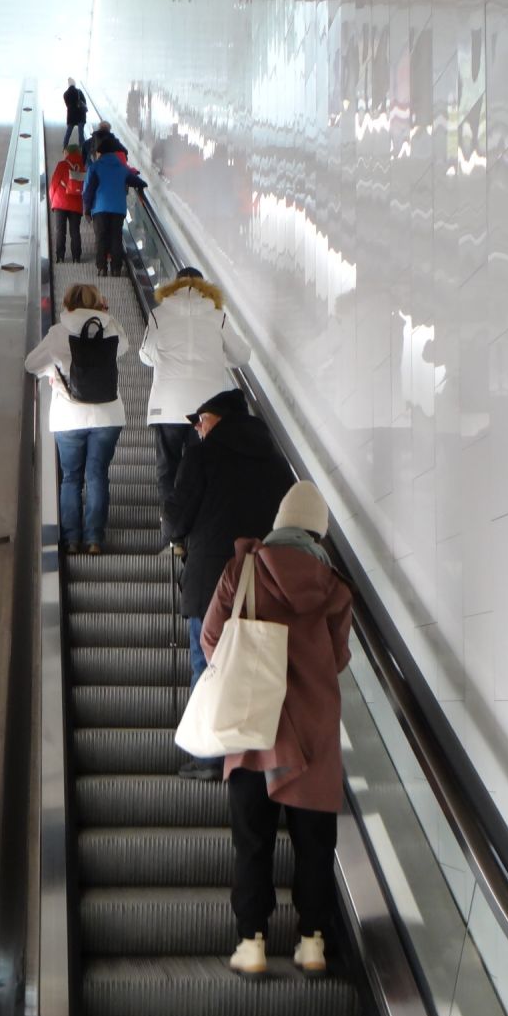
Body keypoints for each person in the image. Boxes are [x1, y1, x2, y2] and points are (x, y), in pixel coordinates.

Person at [199, 481, 352, 978]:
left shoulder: (241, 570)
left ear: (279, 522)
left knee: (253, 840)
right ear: (318, 533)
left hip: (251, 724)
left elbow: (211, 639)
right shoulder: (334, 588)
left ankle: (252, 943)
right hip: (312, 730)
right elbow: (340, 658)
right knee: (315, 843)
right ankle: (312, 942)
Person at [162, 388, 291, 781]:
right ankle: (254, 755)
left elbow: (177, 517)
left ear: (217, 419)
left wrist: (174, 532)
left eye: (200, 420)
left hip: (209, 581)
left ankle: (210, 759)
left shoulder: (202, 454)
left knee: (207, 665)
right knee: (255, 666)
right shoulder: (276, 459)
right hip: (263, 579)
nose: (198, 428)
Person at [24, 283, 128, 554]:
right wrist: (108, 315)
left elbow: (31, 364)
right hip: (107, 415)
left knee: (71, 477)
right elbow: (124, 349)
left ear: (68, 303)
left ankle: (71, 540)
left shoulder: (58, 332)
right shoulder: (111, 328)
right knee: (97, 475)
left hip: (69, 416)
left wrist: (54, 370)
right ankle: (94, 538)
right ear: (99, 303)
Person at [139, 268, 251, 514]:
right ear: (204, 287)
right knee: (200, 468)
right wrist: (218, 357)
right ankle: (195, 530)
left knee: (168, 469)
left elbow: (146, 355)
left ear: (174, 285)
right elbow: (242, 355)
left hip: (167, 405)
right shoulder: (217, 316)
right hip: (206, 410)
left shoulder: (159, 315)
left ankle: (172, 533)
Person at [82, 143, 147, 276]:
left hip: (100, 208)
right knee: (116, 238)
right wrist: (142, 185)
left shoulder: (95, 167)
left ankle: (102, 267)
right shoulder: (122, 168)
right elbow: (137, 181)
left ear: (100, 154)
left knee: (101, 237)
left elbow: (88, 190)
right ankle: (116, 268)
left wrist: (87, 209)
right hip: (118, 209)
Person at [49, 137, 86, 265]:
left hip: (60, 202)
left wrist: (52, 200)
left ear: (68, 153)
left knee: (60, 230)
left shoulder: (62, 164)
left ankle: (60, 257)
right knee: (75, 230)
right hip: (76, 203)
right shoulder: (84, 166)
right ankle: (76, 257)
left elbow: (53, 184)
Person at [64, 78, 88, 151]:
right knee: (81, 133)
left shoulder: (65, 94)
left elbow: (67, 105)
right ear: (74, 84)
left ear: (68, 84)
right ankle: (82, 148)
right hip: (81, 115)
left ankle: (65, 146)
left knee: (68, 132)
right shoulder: (79, 91)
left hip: (71, 115)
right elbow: (84, 102)